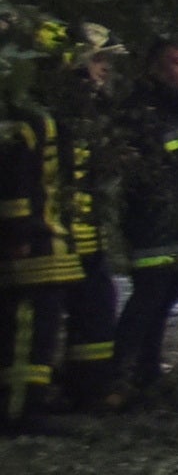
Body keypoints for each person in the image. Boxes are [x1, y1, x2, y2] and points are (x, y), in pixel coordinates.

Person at [96, 40, 178, 411]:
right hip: (154, 223)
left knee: (164, 300)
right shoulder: (141, 110)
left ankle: (147, 375)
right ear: (154, 68)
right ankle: (117, 378)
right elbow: (140, 173)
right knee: (148, 297)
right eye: (176, 62)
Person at [0, 40, 95, 435]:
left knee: (43, 325)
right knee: (26, 325)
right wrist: (18, 231)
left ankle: (34, 402)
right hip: (34, 242)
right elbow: (15, 180)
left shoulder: (57, 120)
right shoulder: (29, 122)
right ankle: (18, 409)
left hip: (54, 241)